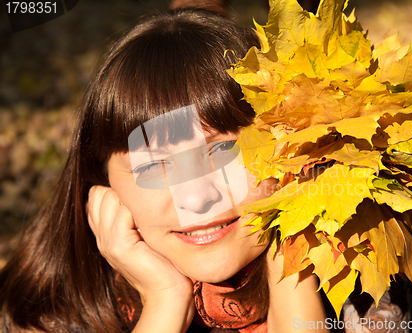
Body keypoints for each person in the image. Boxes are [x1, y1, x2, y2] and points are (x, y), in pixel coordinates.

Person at [0, 9, 331, 333]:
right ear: (103, 184)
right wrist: (165, 301)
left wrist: (292, 260)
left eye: (225, 150)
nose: (198, 197)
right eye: (154, 165)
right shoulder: (51, 312)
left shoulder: (365, 274)